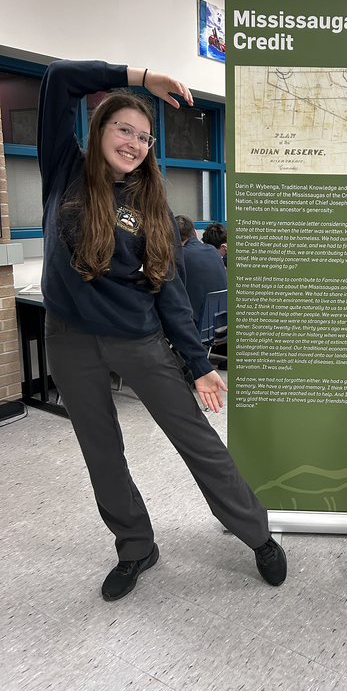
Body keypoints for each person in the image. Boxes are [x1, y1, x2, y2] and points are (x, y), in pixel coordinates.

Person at [39, 59, 286, 600]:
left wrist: (199, 365)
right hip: (69, 339)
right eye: (123, 128)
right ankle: (135, 547)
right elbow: (58, 80)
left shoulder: (151, 205)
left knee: (196, 440)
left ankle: (258, 535)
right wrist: (142, 78)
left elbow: (169, 290)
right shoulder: (64, 169)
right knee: (101, 450)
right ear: (99, 126)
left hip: (139, 340)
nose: (132, 142)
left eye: (144, 138)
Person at [175, 214, 227, 327]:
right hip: (222, 325)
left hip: (197, 329)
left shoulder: (178, 257)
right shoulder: (213, 250)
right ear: (195, 233)